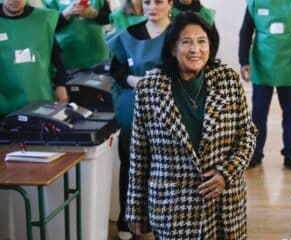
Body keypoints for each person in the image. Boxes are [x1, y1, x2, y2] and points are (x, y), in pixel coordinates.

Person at [125, 12, 257, 239]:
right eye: (186, 42)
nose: (195, 49)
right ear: (172, 48)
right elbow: (139, 154)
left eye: (201, 41)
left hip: (222, 204)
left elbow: (247, 135)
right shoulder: (149, 90)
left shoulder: (228, 80)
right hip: (173, 208)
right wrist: (135, 207)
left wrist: (227, 173)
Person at [107, 0, 173, 239]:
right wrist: (132, 80)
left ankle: (161, 220)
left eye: (158, 2)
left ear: (170, 4)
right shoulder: (130, 34)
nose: (152, 7)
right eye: (147, 2)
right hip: (132, 107)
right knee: (130, 163)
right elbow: (116, 69)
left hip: (167, 109)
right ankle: (128, 219)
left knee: (163, 167)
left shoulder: (178, 33)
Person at [239, 0, 291, 170]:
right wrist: (243, 61)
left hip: (290, 63)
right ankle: (255, 153)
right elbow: (246, 32)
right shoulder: (255, 3)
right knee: (258, 114)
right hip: (263, 63)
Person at [0, 0, 68, 117]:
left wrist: (60, 84)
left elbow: (55, 55)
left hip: (40, 97)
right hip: (5, 102)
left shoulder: (43, 19)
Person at [46, 0, 111, 69]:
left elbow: (109, 18)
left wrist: (95, 14)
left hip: (97, 51)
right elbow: (47, 27)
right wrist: (65, 14)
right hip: (68, 54)